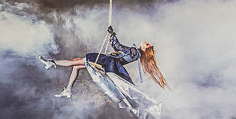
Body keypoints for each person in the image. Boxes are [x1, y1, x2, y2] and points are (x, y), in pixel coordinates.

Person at [41, 26, 169, 98]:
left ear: (146, 48)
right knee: (76, 65)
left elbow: (118, 47)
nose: (146, 42)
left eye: (147, 44)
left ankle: (52, 63)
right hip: (108, 63)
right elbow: (118, 49)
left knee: (75, 62)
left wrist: (112, 35)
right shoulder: (135, 54)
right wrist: (111, 37)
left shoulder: (135, 51)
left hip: (107, 61)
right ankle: (68, 89)